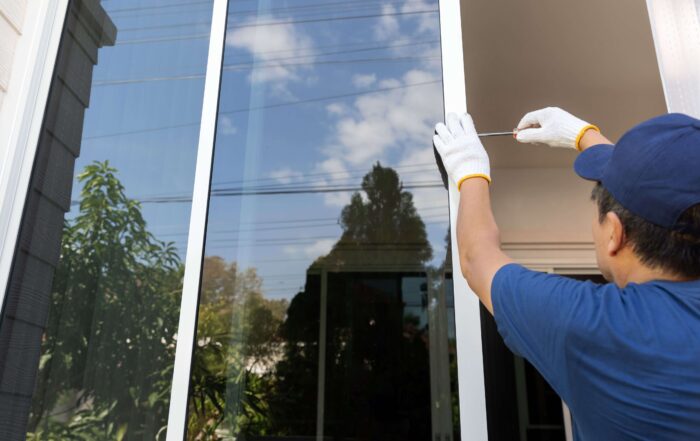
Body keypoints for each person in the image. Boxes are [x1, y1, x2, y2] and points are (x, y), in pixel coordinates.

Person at [432, 107, 700, 440]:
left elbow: (476, 259)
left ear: (614, 234)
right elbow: (665, 189)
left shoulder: (599, 327)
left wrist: (469, 171)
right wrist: (583, 134)